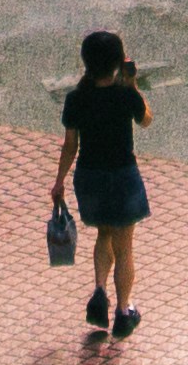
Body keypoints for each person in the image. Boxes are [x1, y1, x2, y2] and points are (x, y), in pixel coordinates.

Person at [49, 31, 152, 341]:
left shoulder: (76, 98)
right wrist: (132, 83)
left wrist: (59, 181)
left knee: (104, 234)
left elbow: (70, 145)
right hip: (122, 176)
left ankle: (99, 291)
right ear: (119, 62)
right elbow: (145, 119)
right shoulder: (125, 94)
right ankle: (124, 310)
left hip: (89, 177)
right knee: (125, 246)